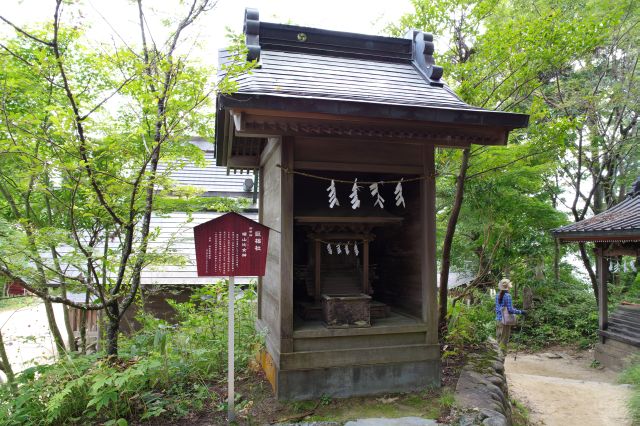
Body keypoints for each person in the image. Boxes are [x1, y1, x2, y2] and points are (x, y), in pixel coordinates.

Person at [495, 278, 526, 350]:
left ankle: (497, 359)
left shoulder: (497, 295)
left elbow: (498, 308)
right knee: (503, 343)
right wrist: (521, 312)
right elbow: (510, 310)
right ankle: (501, 359)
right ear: (508, 287)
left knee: (498, 341)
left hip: (498, 320)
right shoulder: (508, 296)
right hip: (505, 322)